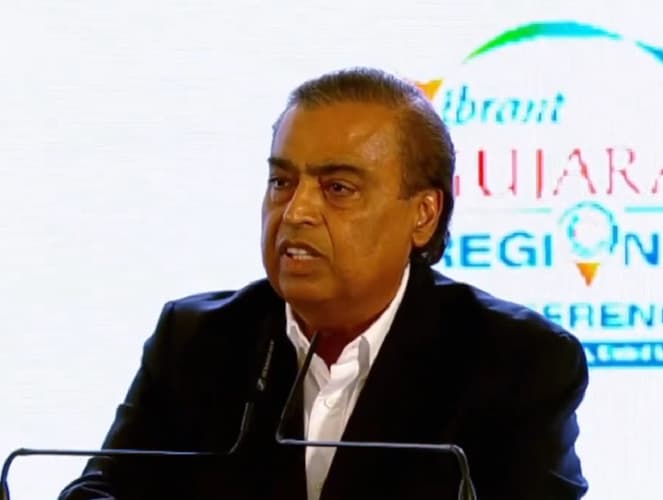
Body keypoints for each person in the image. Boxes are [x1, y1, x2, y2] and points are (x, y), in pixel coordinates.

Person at [59, 67, 589, 500]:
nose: (295, 212)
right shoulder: (196, 339)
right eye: (281, 182)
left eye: (337, 188)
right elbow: (99, 491)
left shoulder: (519, 361)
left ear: (423, 214)